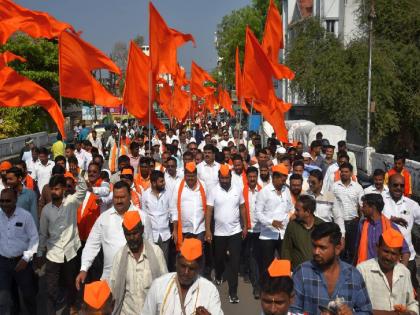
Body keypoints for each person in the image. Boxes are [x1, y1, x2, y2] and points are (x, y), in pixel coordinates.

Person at [76, 181, 151, 284]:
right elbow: (91, 245)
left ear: (130, 196)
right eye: (116, 197)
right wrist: (84, 268)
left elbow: (150, 247)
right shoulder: (103, 218)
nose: (118, 201)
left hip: (137, 279)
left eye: (122, 197)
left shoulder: (142, 217)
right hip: (110, 279)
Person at [290, 222, 372, 315]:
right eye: (314, 246)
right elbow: (292, 310)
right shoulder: (302, 273)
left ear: (337, 249)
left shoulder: (353, 275)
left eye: (322, 247)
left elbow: (366, 311)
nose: (316, 252)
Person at [36, 174, 88, 314]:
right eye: (52, 189)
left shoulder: (71, 202)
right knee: (51, 289)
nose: (54, 192)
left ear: (64, 189)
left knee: (71, 284)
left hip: (70, 252)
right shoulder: (46, 210)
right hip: (53, 254)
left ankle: (71, 306)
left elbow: (82, 190)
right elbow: (42, 233)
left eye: (57, 189)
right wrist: (40, 253)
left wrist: (79, 175)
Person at [142, 238, 223, 315]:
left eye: (191, 268)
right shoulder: (159, 285)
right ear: (176, 263)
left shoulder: (210, 291)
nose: (186, 272)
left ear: (199, 268)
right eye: (183, 266)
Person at [109, 211, 167, 314]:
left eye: (135, 233)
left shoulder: (156, 252)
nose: (131, 238)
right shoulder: (119, 256)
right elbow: (113, 290)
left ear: (142, 230)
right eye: (128, 234)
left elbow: (165, 287)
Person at [205, 164, 247, 303]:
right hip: (219, 233)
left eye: (226, 178)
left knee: (234, 263)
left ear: (230, 177)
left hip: (235, 232)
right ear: (219, 177)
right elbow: (209, 211)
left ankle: (233, 292)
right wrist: (208, 230)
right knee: (219, 258)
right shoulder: (213, 191)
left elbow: (242, 207)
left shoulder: (237, 189)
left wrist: (245, 225)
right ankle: (218, 274)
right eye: (222, 178)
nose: (224, 180)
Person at [357, 229, 418, 315]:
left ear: (399, 255)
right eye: (386, 251)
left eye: (393, 254)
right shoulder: (362, 270)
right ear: (377, 248)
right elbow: (356, 308)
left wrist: (411, 313)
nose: (389, 257)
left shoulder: (404, 272)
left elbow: (412, 303)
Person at [0, 188, 39, 314]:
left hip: (21, 263)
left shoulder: (25, 216)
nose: (4, 204)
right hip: (3, 263)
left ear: (15, 200)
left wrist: (26, 258)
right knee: (7, 298)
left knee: (28, 295)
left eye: (8, 201)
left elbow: (34, 238)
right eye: (1, 201)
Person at [382, 174, 420, 293]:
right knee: (388, 288)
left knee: (412, 287)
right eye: (395, 185)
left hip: (407, 257)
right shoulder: (381, 201)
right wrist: (391, 220)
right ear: (388, 185)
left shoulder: (412, 205)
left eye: (402, 185)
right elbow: (373, 218)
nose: (399, 188)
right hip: (386, 256)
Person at [256, 164, 294, 272]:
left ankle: (282, 286)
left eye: (285, 180)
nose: (284, 182)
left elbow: (291, 208)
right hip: (268, 235)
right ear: (275, 177)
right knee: (267, 266)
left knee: (284, 263)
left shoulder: (286, 190)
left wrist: (291, 216)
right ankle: (265, 287)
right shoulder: (264, 192)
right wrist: (271, 222)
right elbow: (258, 213)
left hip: (283, 234)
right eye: (282, 180)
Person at [354, 193, 409, 265]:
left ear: (373, 208)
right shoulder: (362, 225)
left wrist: (401, 271)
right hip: (364, 270)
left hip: (384, 271)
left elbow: (405, 252)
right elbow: (357, 249)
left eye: (364, 206)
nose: (361, 209)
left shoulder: (391, 227)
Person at [281, 195, 324, 269]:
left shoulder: (322, 226)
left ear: (307, 212)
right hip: (298, 272)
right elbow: (286, 250)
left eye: (297, 210)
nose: (295, 213)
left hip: (318, 272)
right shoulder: (292, 225)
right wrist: (286, 271)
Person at [332, 162, 364, 263]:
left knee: (352, 250)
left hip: (353, 223)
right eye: (342, 172)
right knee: (338, 249)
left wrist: (361, 222)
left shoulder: (358, 187)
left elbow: (362, 206)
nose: (344, 174)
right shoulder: (334, 187)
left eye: (346, 172)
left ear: (351, 173)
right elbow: (329, 203)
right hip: (337, 223)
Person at [141, 170, 171, 264]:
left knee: (164, 262)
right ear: (153, 183)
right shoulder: (145, 195)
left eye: (164, 180)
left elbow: (173, 211)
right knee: (152, 262)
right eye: (161, 181)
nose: (164, 183)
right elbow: (144, 215)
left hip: (165, 235)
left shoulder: (168, 193)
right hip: (151, 235)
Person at [242, 166, 262, 299]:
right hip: (248, 229)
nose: (253, 179)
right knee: (250, 256)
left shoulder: (263, 191)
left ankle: (259, 285)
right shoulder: (242, 191)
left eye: (255, 176)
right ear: (247, 178)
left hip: (261, 229)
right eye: (250, 177)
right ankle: (256, 285)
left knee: (257, 258)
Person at [306, 169, 345, 235]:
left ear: (321, 182)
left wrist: (342, 235)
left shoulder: (330, 196)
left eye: (313, 182)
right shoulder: (305, 196)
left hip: (326, 234)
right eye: (309, 182)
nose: (310, 184)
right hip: (308, 233)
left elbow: (338, 217)